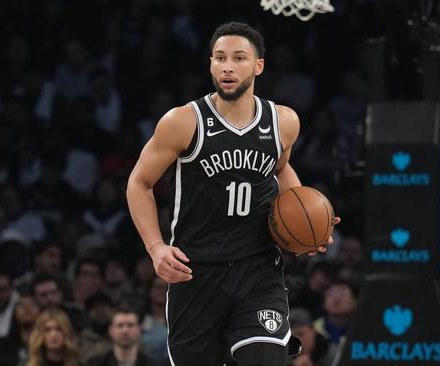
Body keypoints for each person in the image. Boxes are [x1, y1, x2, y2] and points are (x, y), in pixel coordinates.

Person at [126, 21, 340, 366]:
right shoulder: (183, 121)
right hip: (196, 271)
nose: (227, 66)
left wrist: (307, 220)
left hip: (257, 268)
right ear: (210, 64)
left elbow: (281, 169)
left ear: (258, 65)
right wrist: (155, 247)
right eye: (220, 58)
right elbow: (139, 183)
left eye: (239, 58)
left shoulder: (283, 122)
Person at [86, 304, 156, 366]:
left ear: (139, 330)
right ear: (110, 331)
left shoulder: (151, 364)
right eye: (120, 325)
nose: (125, 330)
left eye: (130, 325)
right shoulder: (96, 363)